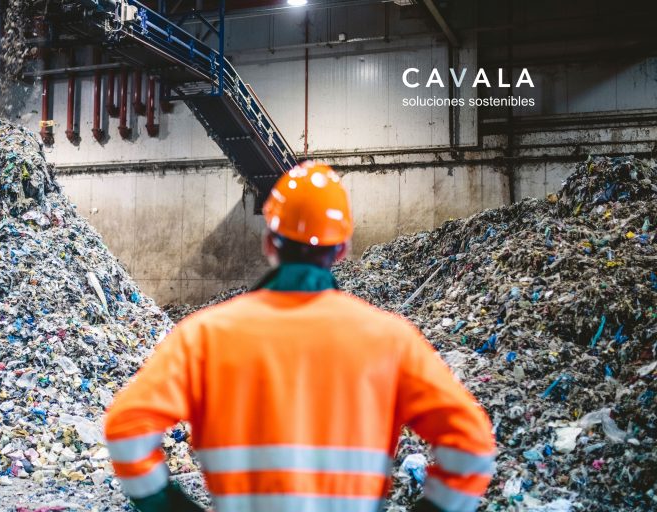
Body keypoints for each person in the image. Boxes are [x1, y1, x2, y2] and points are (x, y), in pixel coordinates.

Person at [103, 161, 496, 512]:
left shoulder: (205, 336)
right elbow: (473, 448)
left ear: (269, 242)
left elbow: (126, 430)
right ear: (341, 250)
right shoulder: (391, 340)